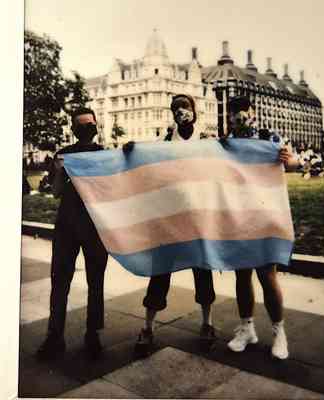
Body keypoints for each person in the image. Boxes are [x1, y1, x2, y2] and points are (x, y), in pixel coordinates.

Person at [123, 94, 216, 357]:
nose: (180, 112)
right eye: (175, 108)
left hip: (197, 221)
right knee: (159, 275)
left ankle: (207, 324)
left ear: (194, 111)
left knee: (203, 274)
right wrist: (133, 151)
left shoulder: (207, 142)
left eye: (184, 107)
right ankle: (148, 327)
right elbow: (147, 161)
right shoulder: (164, 142)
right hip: (170, 222)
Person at [223, 96, 298, 360]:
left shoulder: (269, 136)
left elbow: (295, 163)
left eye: (242, 111)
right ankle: (247, 329)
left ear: (252, 112)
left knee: (267, 276)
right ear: (229, 116)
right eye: (233, 112)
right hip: (238, 216)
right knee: (242, 276)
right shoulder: (225, 143)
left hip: (265, 215)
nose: (238, 116)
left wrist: (288, 159)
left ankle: (279, 334)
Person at [36, 107, 109, 361]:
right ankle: (54, 336)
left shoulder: (105, 155)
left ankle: (93, 334)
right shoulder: (63, 155)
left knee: (95, 283)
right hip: (67, 226)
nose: (85, 129)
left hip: (95, 226)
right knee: (60, 283)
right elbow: (55, 192)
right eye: (80, 125)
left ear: (96, 125)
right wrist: (58, 170)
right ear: (74, 129)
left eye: (89, 124)